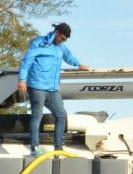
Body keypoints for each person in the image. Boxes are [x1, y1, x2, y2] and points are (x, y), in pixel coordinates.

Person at [16, 22, 91, 154]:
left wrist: (79, 64)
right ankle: (34, 147)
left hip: (53, 89)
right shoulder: (39, 43)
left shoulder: (61, 47)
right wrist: (22, 80)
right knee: (36, 116)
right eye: (62, 38)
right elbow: (26, 61)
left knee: (61, 115)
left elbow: (69, 56)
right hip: (37, 87)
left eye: (65, 40)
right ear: (56, 33)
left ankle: (58, 147)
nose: (63, 41)